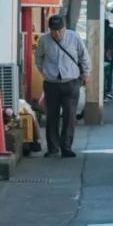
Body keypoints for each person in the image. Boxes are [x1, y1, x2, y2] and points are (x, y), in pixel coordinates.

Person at [34, 15, 89, 158]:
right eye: (53, 31)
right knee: (51, 116)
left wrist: (86, 74)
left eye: (59, 30)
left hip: (71, 82)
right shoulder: (44, 40)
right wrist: (45, 73)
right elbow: (38, 58)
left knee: (69, 116)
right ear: (49, 29)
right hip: (51, 83)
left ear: (64, 28)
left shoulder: (74, 37)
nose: (56, 34)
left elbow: (84, 56)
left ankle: (66, 147)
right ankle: (53, 148)